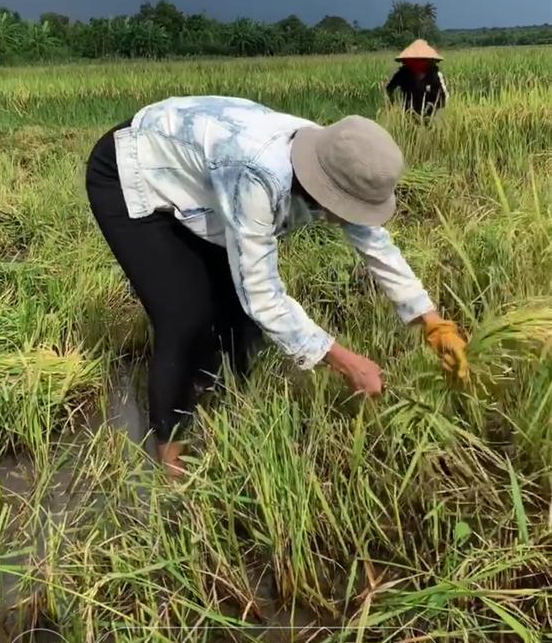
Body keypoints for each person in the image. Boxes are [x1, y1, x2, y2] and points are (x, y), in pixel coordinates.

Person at [85, 96, 468, 479]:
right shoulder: (256, 173)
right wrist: (346, 362)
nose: (351, 217)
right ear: (325, 187)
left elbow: (375, 244)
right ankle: (173, 465)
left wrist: (434, 324)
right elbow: (262, 294)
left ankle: (229, 404)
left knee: (237, 312)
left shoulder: (338, 159)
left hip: (202, 180)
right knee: (186, 319)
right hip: (131, 172)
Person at [386, 39, 449, 119]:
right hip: (408, 114)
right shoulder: (402, 74)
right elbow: (389, 89)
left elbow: (444, 97)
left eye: (421, 60)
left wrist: (435, 111)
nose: (417, 63)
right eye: (414, 61)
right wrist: (392, 104)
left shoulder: (435, 75)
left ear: (429, 61)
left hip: (430, 114)